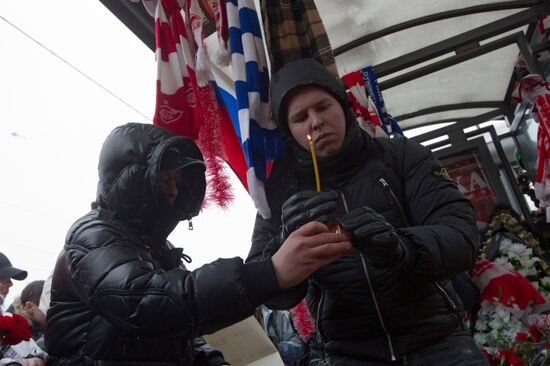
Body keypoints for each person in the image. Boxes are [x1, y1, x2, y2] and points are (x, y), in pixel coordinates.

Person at [44, 122, 351, 366]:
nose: (174, 191)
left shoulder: (156, 250)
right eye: (165, 179)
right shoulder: (91, 235)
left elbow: (179, 336)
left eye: (178, 180)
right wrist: (269, 273)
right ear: (134, 181)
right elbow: (145, 303)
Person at [247, 59, 488, 365]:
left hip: (437, 341)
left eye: (322, 106)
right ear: (289, 132)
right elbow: (265, 286)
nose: (315, 122)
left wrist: (402, 247)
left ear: (343, 106)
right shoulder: (279, 194)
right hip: (349, 353)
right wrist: (286, 243)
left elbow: (461, 235)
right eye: (300, 117)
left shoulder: (401, 156)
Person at [0, 252, 47, 366]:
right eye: (1, 276)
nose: (10, 283)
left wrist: (37, 359)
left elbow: (37, 352)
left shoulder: (12, 322)